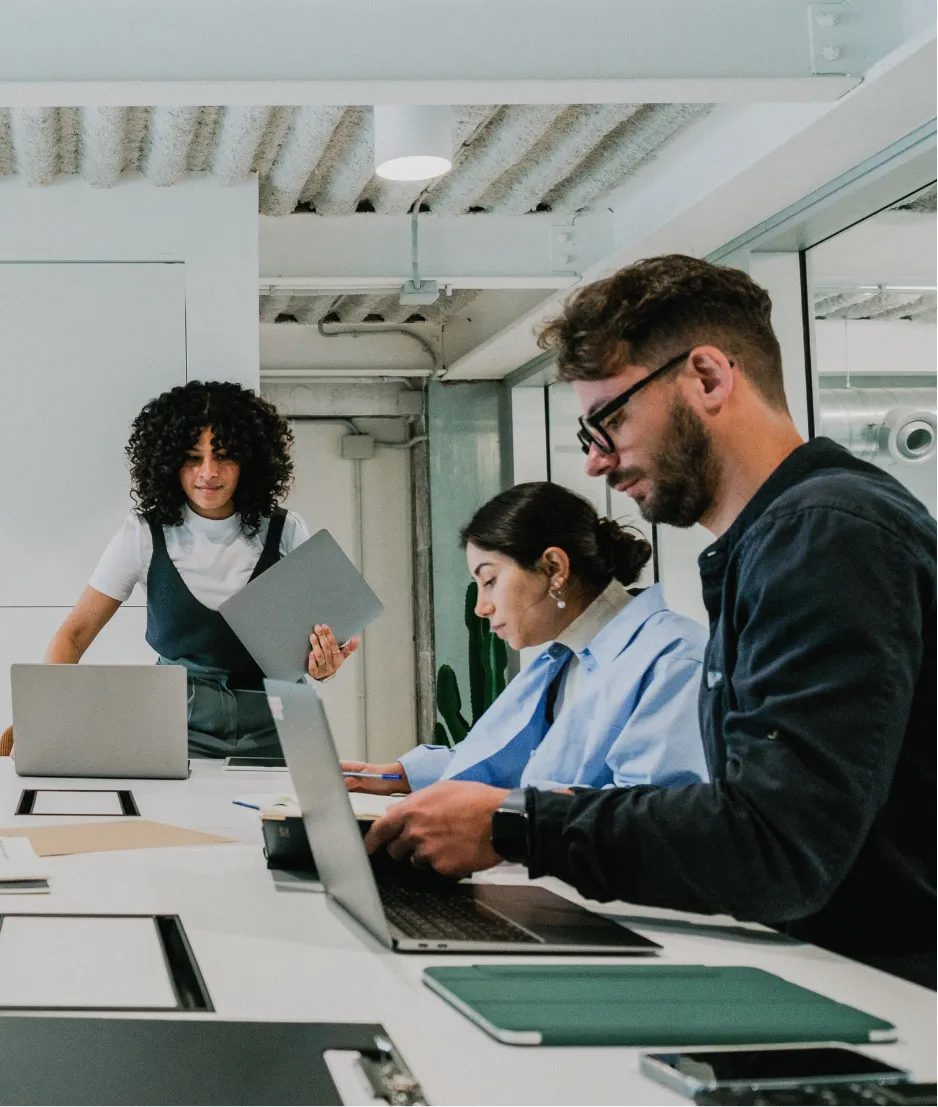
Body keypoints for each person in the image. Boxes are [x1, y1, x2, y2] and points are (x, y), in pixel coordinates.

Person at [364, 255, 936, 988]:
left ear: (707, 377)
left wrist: (514, 825)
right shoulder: (782, 540)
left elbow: (777, 844)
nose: (598, 463)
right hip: (830, 970)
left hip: (888, 999)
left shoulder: (827, 533)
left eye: (610, 419)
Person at [45, 380, 357, 758]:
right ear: (169, 462)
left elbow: (322, 644)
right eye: (193, 458)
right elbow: (75, 634)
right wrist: (49, 720)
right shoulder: (143, 534)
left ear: (249, 461)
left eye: (224, 456)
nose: (208, 472)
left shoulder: (287, 531)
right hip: (173, 724)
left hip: (280, 721)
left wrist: (325, 667)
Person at [342, 481, 707, 794]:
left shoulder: (674, 659)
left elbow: (657, 817)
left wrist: (499, 816)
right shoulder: (565, 660)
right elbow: (498, 760)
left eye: (490, 581)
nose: (481, 607)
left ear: (554, 568)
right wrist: (394, 776)